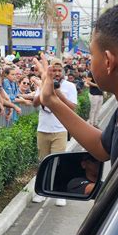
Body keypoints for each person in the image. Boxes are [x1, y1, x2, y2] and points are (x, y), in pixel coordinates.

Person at [35, 2, 118, 167]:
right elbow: (102, 147)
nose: (90, 61)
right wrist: (51, 100)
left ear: (108, 61)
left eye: (92, 53)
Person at [32, 58, 78, 205]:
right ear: (50, 71)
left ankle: (60, 193)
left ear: (63, 72)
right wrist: (45, 89)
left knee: (59, 162)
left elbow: (72, 107)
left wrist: (58, 93)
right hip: (43, 129)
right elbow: (34, 104)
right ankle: (41, 192)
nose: (56, 73)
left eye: (59, 70)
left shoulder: (70, 86)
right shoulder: (44, 83)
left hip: (60, 129)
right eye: (54, 70)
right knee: (43, 162)